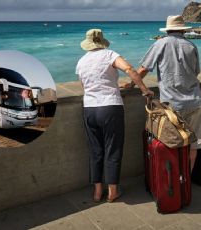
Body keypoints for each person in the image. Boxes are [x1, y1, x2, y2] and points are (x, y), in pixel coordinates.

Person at [76, 29, 154, 203]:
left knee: (95, 151)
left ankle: (97, 192)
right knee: (113, 149)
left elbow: (84, 86)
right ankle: (112, 192)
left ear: (88, 43)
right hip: (110, 107)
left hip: (89, 108)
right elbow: (129, 69)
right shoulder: (109, 54)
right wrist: (144, 90)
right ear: (102, 41)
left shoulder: (81, 62)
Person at [127, 15, 201, 171]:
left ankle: (173, 185)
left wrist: (131, 83)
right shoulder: (191, 45)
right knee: (193, 145)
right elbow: (196, 73)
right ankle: (186, 184)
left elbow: (143, 69)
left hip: (172, 106)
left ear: (168, 29)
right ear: (183, 29)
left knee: (171, 144)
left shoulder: (160, 44)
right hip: (195, 101)